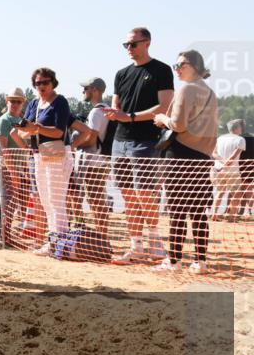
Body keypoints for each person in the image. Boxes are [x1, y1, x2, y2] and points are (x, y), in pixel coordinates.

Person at [103, 27, 174, 262]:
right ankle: (136, 246)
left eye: (133, 44)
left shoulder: (161, 70)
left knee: (145, 193)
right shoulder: (121, 74)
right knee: (128, 195)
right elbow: (117, 105)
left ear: (147, 43)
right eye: (126, 45)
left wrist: (129, 116)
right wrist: (115, 114)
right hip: (120, 141)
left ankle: (155, 243)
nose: (129, 49)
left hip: (145, 140)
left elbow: (164, 107)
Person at [153, 50, 218, 273]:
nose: (177, 69)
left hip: (180, 156)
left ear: (194, 66)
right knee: (199, 211)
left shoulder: (187, 89)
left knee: (177, 211)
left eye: (181, 64)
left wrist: (162, 118)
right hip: (202, 158)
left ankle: (173, 261)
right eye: (176, 65)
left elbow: (178, 125)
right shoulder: (209, 91)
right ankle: (200, 261)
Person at [22, 68, 73, 256]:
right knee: (44, 200)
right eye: (38, 83)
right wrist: (25, 129)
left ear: (53, 82)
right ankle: (53, 241)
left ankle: (59, 242)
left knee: (56, 199)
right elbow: (24, 130)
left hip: (58, 155)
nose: (41, 86)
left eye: (45, 82)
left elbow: (59, 131)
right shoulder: (34, 103)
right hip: (39, 155)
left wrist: (36, 128)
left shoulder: (60, 102)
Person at [70, 77, 111, 236]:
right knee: (97, 197)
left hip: (94, 161)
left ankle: (102, 236)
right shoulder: (106, 108)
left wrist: (75, 144)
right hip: (102, 159)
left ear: (95, 90)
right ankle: (102, 234)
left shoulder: (96, 112)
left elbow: (92, 138)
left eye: (86, 88)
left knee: (95, 199)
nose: (83, 91)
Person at [0, 88, 31, 245]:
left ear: (23, 103)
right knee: (7, 202)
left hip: (18, 168)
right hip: (7, 168)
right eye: (12, 101)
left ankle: (5, 235)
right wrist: (13, 170)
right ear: (7, 101)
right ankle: (3, 236)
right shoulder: (4, 121)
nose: (15, 104)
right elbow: (2, 149)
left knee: (12, 203)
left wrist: (24, 169)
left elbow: (24, 150)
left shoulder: (21, 121)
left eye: (18, 101)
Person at [211, 119, 247, 222]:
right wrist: (227, 163)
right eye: (240, 127)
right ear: (236, 128)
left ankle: (214, 214)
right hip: (232, 171)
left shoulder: (220, 138)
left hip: (218, 169)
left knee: (220, 192)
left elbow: (214, 153)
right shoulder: (240, 140)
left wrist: (222, 162)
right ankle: (231, 216)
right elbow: (234, 156)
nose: (242, 128)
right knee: (237, 194)